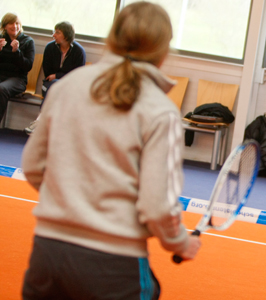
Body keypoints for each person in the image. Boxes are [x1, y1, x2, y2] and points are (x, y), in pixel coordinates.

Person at [21, 2, 201, 299]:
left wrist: (71, 203)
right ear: (163, 50)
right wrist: (179, 242)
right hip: (114, 264)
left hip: (47, 254)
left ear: (112, 37)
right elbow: (156, 205)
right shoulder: (160, 110)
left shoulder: (66, 87)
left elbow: (33, 166)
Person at [25, 21, 86, 134]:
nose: (54, 35)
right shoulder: (50, 48)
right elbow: (48, 74)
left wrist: (58, 76)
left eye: (57, 32)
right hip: (50, 85)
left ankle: (40, 121)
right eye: (54, 32)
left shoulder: (79, 52)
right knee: (55, 86)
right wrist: (59, 77)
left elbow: (77, 76)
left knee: (57, 85)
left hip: (70, 88)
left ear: (66, 35)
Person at [0, 12, 35, 125]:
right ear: (5, 26)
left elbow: (28, 66)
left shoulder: (28, 41)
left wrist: (17, 52)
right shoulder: (1, 39)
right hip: (2, 75)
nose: (15, 26)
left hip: (18, 79)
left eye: (17, 23)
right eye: (11, 23)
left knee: (2, 89)